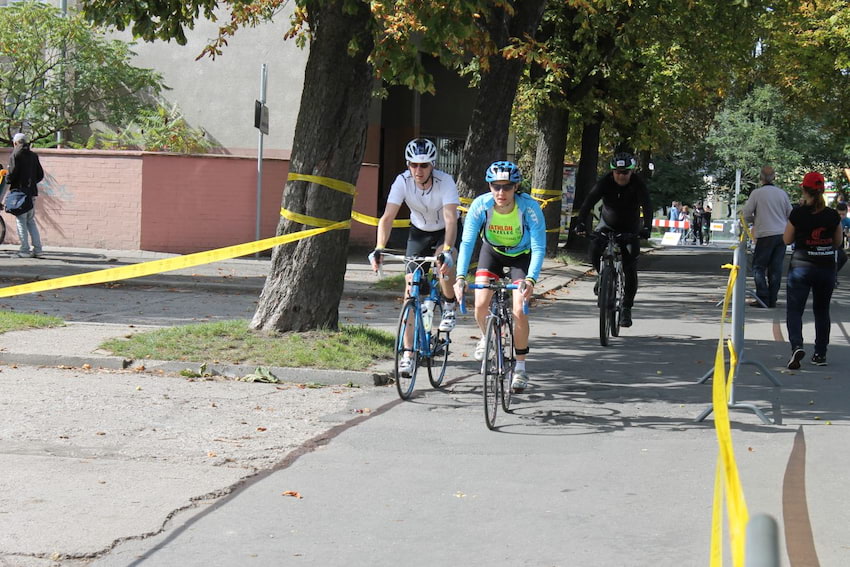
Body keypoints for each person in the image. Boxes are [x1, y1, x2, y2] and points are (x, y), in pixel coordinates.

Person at [369, 138, 460, 377]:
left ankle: (449, 303)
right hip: (418, 233)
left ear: (432, 165)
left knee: (443, 267)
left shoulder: (445, 182)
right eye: (413, 165)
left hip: (443, 232)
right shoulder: (402, 181)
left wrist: (448, 249)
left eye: (424, 165)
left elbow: (451, 219)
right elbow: (387, 217)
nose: (418, 171)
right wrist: (379, 247)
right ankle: (408, 354)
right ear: (408, 165)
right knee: (410, 291)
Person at [453, 161, 545, 394]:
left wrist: (531, 280)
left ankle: (521, 367)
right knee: (481, 304)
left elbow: (539, 247)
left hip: (521, 256)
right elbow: (466, 242)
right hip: (491, 253)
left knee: (518, 309)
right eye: (496, 187)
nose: (501, 193)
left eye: (506, 187)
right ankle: (487, 337)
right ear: (490, 186)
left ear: (516, 187)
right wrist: (460, 277)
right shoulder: (480, 206)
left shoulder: (529, 208)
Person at [575, 151, 653, 328]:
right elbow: (588, 202)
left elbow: (647, 205)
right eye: (617, 172)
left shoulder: (637, 183)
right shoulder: (605, 182)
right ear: (612, 172)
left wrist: (646, 227)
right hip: (606, 225)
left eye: (625, 172)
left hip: (630, 228)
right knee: (594, 249)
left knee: (630, 266)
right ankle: (602, 275)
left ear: (631, 172)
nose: (621, 176)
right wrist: (580, 223)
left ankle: (626, 307)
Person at [783, 172, 842, 368]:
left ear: (803, 189)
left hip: (801, 267)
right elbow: (838, 242)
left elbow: (787, 239)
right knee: (822, 311)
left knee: (794, 309)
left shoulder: (797, 213)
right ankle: (820, 354)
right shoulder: (832, 215)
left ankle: (797, 346)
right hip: (825, 268)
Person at [742, 166, 792, 308]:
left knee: (758, 267)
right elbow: (790, 214)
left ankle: (763, 297)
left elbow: (746, 214)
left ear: (761, 178)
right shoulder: (782, 194)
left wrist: (755, 220)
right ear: (774, 177)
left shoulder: (757, 194)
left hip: (765, 234)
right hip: (781, 234)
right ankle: (773, 298)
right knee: (775, 268)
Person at [6, 133, 45, 258]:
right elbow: (40, 174)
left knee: (21, 221)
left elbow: (11, 174)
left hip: (19, 193)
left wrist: (9, 180)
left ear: (16, 143)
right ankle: (38, 250)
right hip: (31, 193)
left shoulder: (16, 154)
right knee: (30, 221)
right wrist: (31, 184)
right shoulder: (33, 155)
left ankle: (24, 250)